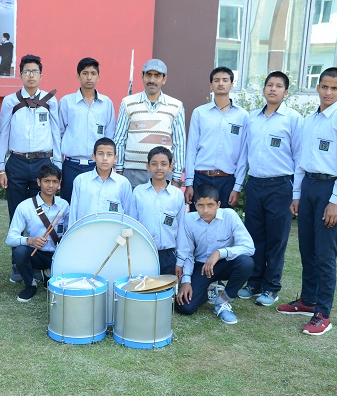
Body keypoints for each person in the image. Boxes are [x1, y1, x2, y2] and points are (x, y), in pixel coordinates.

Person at [277, 67, 337, 336]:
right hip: (309, 187)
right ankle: (308, 300)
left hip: (329, 189)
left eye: (334, 88)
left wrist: (336, 201)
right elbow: (302, 160)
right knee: (307, 249)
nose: (328, 92)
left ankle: (323, 313)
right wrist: (297, 194)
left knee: (325, 255)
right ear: (318, 87)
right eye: (324, 87)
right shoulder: (309, 120)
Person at [237, 71, 303, 307]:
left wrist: (297, 193)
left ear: (286, 92)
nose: (273, 89)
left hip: (281, 186)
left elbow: (299, 157)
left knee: (276, 239)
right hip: (255, 184)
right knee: (255, 236)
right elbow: (244, 154)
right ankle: (254, 283)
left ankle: (271, 287)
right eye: (269, 85)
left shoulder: (293, 119)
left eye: (278, 86)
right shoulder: (252, 118)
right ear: (264, 89)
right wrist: (239, 184)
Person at [0, 54, 60, 283]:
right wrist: (1, 167)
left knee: (39, 214)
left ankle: (35, 263)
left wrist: (57, 167)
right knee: (16, 213)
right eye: (26, 72)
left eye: (35, 72)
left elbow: (56, 134)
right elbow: (3, 134)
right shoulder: (10, 101)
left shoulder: (51, 101)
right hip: (16, 162)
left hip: (42, 163)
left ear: (41, 75)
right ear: (20, 74)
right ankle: (17, 263)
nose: (31, 75)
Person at [175, 184, 254, 324]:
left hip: (226, 263)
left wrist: (219, 253)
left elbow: (249, 247)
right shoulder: (188, 220)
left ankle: (222, 301)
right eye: (200, 205)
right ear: (195, 205)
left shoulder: (229, 215)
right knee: (184, 307)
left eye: (210, 205)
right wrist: (186, 281)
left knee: (246, 263)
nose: (205, 210)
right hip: (202, 266)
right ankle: (208, 288)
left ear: (218, 204)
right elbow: (187, 252)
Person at [113, 59, 186, 188]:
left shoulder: (176, 106)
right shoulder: (128, 103)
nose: (152, 80)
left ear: (164, 79)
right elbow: (119, 139)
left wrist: (176, 177)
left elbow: (179, 143)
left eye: (157, 76)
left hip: (162, 173)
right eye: (148, 75)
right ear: (142, 77)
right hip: (132, 173)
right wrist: (119, 170)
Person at [184, 66, 248, 211]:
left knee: (223, 221)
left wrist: (237, 187)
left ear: (232, 84)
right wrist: (189, 183)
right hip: (201, 178)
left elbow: (243, 154)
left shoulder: (243, 116)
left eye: (225, 80)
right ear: (211, 85)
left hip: (227, 180)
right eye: (216, 80)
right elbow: (191, 149)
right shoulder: (199, 113)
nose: (220, 83)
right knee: (198, 219)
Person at [6, 164, 69, 302]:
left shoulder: (64, 205)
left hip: (58, 255)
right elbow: (10, 239)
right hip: (36, 254)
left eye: (54, 181)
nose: (51, 185)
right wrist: (31, 240)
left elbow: (70, 232)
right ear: (38, 182)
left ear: (59, 183)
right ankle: (30, 285)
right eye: (46, 181)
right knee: (20, 251)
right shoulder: (25, 206)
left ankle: (49, 273)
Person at [58, 57, 115, 203]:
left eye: (93, 73)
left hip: (97, 166)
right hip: (71, 166)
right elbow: (59, 134)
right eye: (85, 73)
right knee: (69, 206)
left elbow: (109, 137)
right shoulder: (67, 102)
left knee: (95, 205)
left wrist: (109, 165)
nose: (89, 77)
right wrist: (58, 166)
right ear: (78, 76)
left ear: (98, 77)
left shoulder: (106, 103)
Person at [130, 146, 185, 275]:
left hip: (168, 254)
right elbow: (132, 224)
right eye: (154, 164)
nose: (159, 168)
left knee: (166, 287)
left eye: (163, 164)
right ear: (148, 166)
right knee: (144, 286)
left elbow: (182, 229)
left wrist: (180, 260)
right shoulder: (138, 192)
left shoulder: (177, 194)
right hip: (143, 252)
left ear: (171, 167)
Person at [69, 137, 133, 226]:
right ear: (93, 157)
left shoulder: (123, 183)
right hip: (85, 232)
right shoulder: (81, 180)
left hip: (113, 232)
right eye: (100, 154)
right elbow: (73, 213)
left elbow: (128, 214)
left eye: (109, 154)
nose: (105, 158)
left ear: (115, 158)